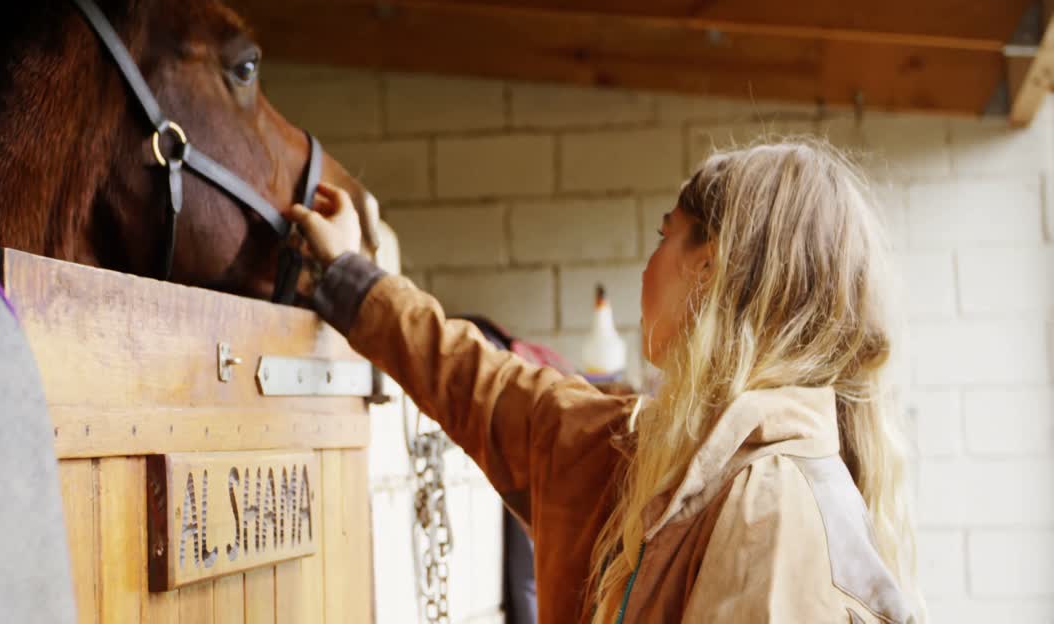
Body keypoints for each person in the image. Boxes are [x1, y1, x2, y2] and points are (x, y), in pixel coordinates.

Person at [289, 139, 921, 623]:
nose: (649, 260)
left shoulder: (773, 506)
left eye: (664, 233)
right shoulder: (672, 456)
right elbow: (488, 386)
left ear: (709, 267)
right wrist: (348, 276)